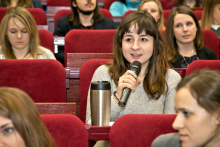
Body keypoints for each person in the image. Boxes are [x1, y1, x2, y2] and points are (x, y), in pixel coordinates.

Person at [86, 11, 181, 147]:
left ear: (155, 44)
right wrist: (117, 97)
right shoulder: (103, 74)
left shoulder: (171, 78)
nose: (135, 46)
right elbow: (93, 126)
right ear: (120, 44)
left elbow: (171, 130)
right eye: (129, 39)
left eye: (143, 39)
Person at [151, 70, 220, 147]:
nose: (175, 125)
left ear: (217, 116)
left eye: (186, 113)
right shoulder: (165, 144)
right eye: (177, 112)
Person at [53, 0, 115, 66]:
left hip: (103, 67)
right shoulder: (63, 23)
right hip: (73, 68)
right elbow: (58, 52)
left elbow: (114, 50)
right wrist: (79, 61)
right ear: (74, 3)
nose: (89, 0)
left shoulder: (108, 24)